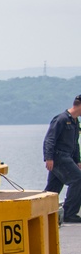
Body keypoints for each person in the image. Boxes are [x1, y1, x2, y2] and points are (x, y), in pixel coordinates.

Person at [43, 94, 81, 223]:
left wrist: (78, 161)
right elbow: (50, 139)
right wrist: (48, 158)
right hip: (59, 157)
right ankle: (70, 213)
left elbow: (75, 144)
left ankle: (42, 212)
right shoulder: (61, 119)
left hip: (67, 157)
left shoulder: (75, 122)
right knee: (78, 180)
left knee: (53, 188)